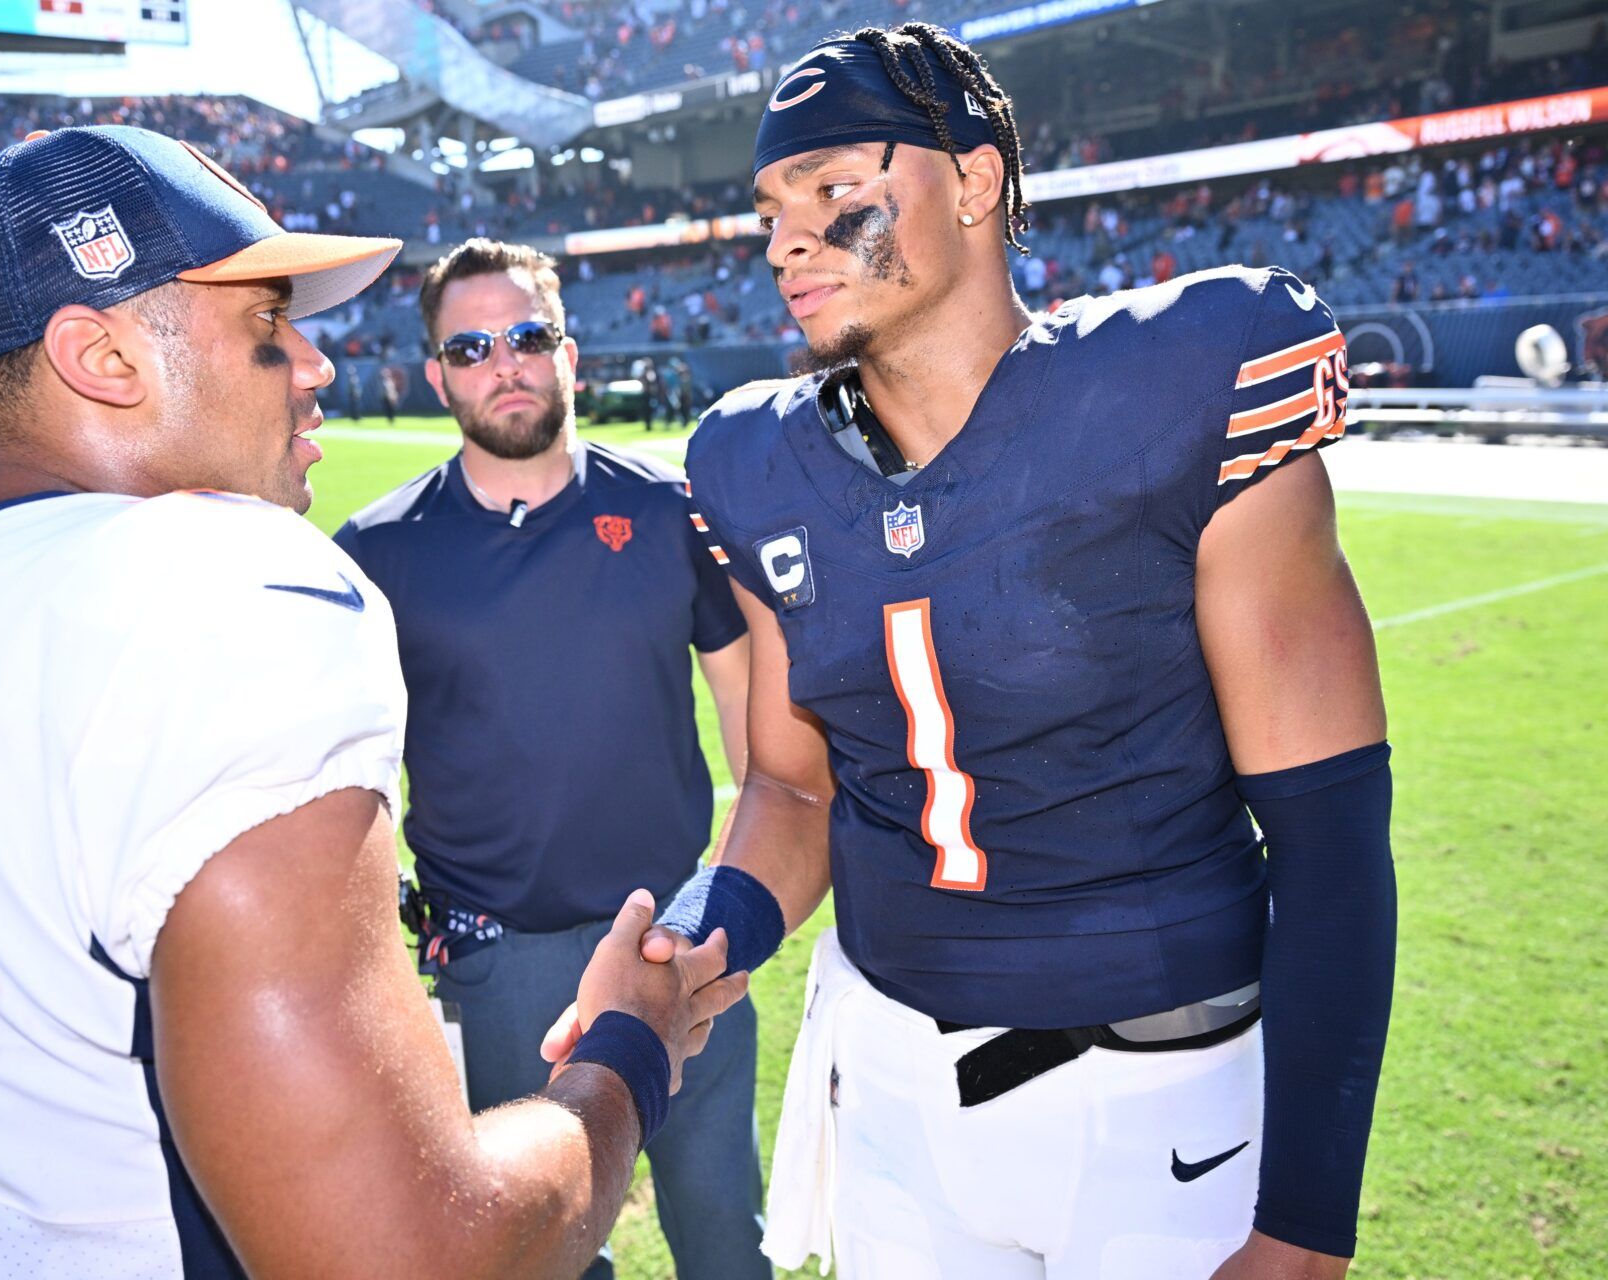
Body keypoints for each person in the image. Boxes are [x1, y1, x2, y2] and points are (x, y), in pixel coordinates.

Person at [0, 125, 745, 1277]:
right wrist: (631, 1051)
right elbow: (407, 1253)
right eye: (262, 325)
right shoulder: (216, 589)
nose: (315, 361)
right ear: (103, 357)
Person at [548, 23, 1394, 1280]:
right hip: (889, 1078)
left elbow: (1329, 834)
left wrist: (1308, 1225)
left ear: (976, 180)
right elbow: (791, 786)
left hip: (1158, 1096)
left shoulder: (1185, 380)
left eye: (835, 191)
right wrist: (690, 945)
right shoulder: (749, 461)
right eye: (772, 205)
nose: (786, 238)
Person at [335, 238, 769, 1280]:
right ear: (435, 372)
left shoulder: (670, 511)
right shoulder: (375, 552)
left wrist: (726, 905)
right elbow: (345, 778)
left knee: (723, 1234)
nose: (506, 363)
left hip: (678, 942)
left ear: (569, 351)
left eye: (529, 336)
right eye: (472, 345)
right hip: (500, 964)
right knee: (545, 1253)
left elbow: (763, 751)